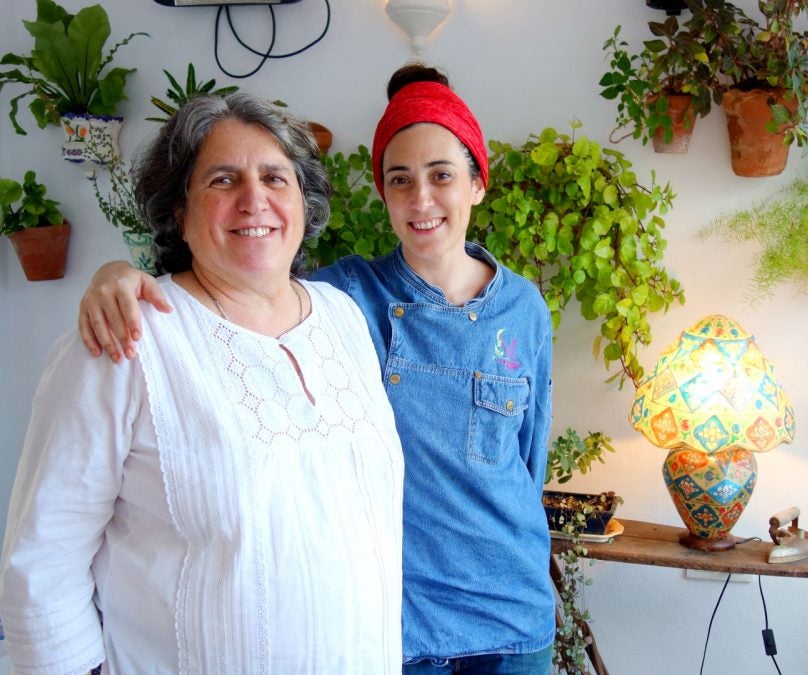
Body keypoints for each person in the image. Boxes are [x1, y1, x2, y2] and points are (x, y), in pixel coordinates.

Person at [77, 65, 556, 674]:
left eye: (442, 176)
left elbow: (528, 459)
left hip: (512, 616)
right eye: (399, 179)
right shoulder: (345, 296)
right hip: (398, 621)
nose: (422, 199)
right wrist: (115, 272)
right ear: (382, 193)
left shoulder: (524, 309)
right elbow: (243, 279)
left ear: (477, 184)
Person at [0, 94, 404, 674]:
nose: (254, 199)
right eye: (222, 179)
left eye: (274, 177)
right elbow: (44, 561)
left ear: (303, 202)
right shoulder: (126, 339)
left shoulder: (343, 317)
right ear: (177, 212)